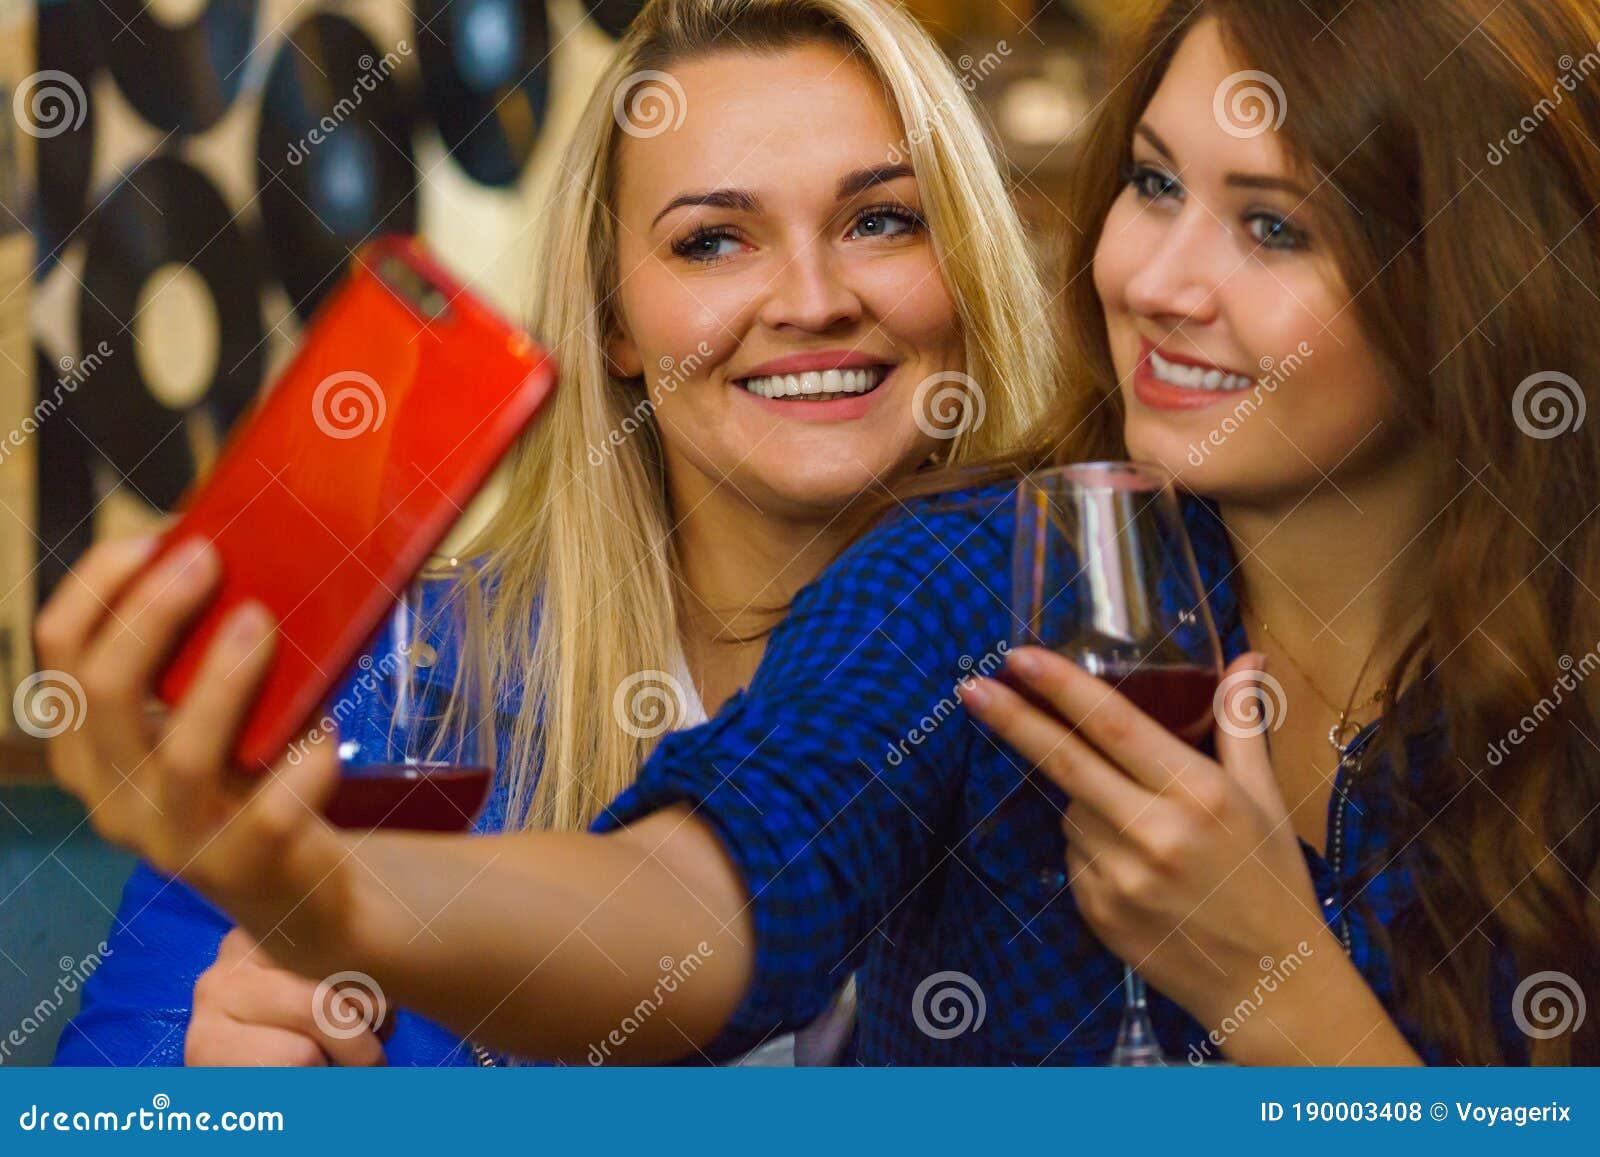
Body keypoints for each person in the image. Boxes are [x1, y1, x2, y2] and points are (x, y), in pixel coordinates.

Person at [42, 0, 1600, 1065]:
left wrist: (1281, 983)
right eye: (1148, 187)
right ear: (618, 323)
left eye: (1276, 223)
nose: (1161, 279)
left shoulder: (1072, 583)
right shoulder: (966, 584)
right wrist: (319, 941)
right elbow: (720, 898)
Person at [47, 0, 1058, 1067]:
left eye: (881, 220)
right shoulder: (373, 691)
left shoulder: (1102, 670)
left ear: (970, 260)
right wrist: (222, 1108)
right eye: (712, 240)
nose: (810, 300)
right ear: (615, 320)